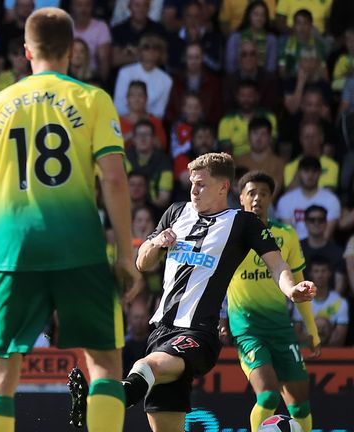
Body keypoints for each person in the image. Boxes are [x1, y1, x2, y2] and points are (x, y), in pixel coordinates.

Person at [0, 8, 139, 432]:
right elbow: (115, 180)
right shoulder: (93, 99)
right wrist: (124, 253)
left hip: (13, 249)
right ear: (72, 50)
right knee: (103, 361)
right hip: (78, 245)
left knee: (1, 370)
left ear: (26, 50)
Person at [123, 153, 316, 432]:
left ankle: (118, 395)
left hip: (198, 332)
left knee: (146, 366)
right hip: (161, 330)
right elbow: (142, 262)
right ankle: (123, 391)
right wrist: (157, 245)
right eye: (191, 183)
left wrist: (291, 289)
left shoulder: (243, 223)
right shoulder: (176, 212)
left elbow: (277, 264)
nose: (193, 190)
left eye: (201, 184)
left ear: (224, 186)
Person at [225, 170, 318, 431]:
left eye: (263, 193)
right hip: (247, 329)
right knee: (268, 395)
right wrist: (219, 316)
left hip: (281, 328)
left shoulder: (286, 234)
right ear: (240, 197)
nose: (257, 198)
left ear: (271, 199)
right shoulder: (230, 235)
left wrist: (311, 328)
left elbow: (300, 286)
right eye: (251, 193)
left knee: (300, 403)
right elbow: (215, 279)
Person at [276, 157, 340, 241]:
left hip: (321, 249)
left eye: (314, 171)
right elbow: (289, 236)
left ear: (320, 173)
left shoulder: (332, 200)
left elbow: (325, 236)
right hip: (294, 250)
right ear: (298, 173)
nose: (310, 175)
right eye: (306, 171)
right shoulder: (285, 200)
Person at [293, 257, 349, 347]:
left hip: (332, 353)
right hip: (307, 352)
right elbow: (297, 335)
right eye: (316, 271)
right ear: (311, 273)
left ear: (330, 273)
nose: (320, 275)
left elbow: (339, 338)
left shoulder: (340, 302)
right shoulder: (301, 301)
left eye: (323, 271)